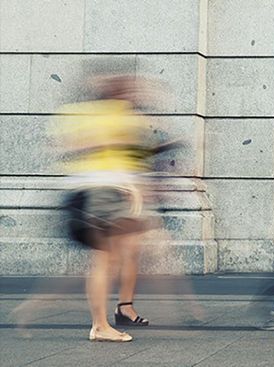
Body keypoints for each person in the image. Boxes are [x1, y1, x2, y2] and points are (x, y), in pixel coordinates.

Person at [55, 73, 175, 342]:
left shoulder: (84, 114)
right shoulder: (113, 115)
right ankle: (100, 324)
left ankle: (110, 316)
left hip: (103, 193)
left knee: (113, 257)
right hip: (102, 193)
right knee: (105, 260)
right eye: (130, 90)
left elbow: (70, 147)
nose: (136, 94)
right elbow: (123, 154)